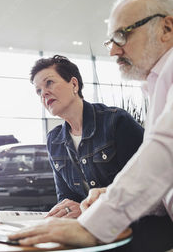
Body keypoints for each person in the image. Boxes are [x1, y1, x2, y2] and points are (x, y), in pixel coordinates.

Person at [9, 0, 173, 252]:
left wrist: (92, 226)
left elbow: (161, 158)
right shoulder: (157, 85)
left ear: (167, 28)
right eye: (111, 41)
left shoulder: (116, 120)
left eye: (123, 35)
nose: (113, 51)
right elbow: (159, 186)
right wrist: (102, 197)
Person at [30, 55, 143, 219]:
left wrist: (87, 209)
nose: (44, 94)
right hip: (89, 227)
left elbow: (143, 185)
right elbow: (66, 198)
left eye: (49, 83)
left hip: (131, 226)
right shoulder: (54, 140)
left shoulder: (116, 121)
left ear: (74, 84)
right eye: (38, 91)